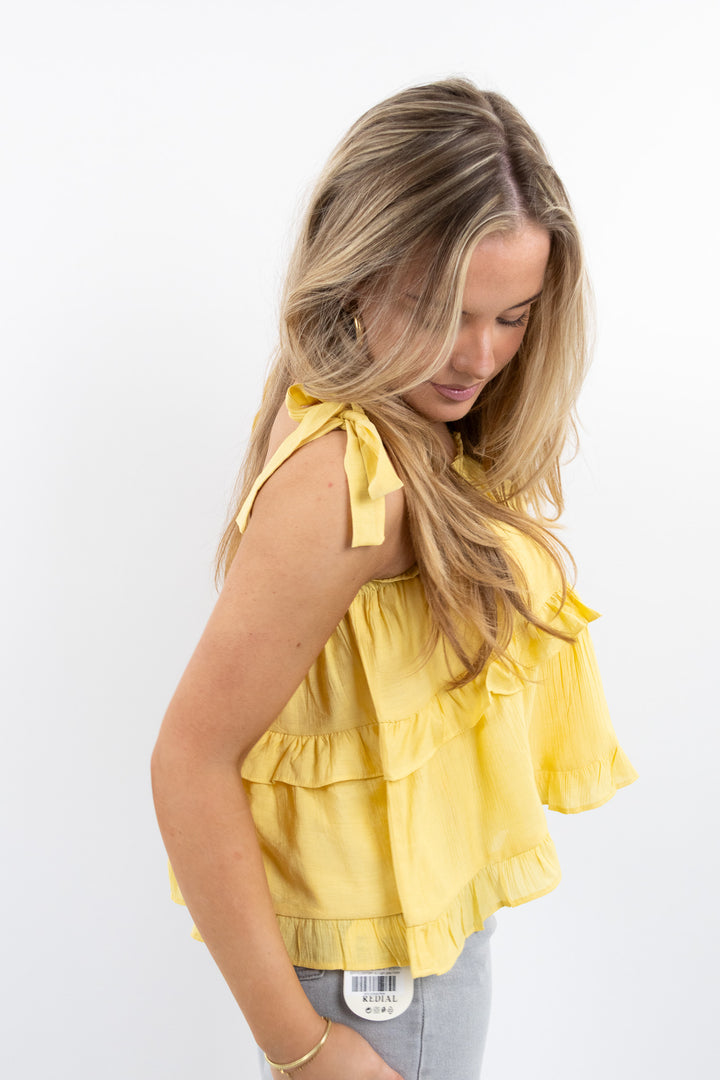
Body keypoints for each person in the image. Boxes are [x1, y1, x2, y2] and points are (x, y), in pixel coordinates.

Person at [151, 78, 638, 1080]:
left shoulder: (398, 430)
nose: (479, 357)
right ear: (356, 272)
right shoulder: (347, 476)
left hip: (409, 961)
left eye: (513, 317)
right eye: (443, 311)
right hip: (379, 995)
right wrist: (303, 1049)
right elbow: (188, 760)